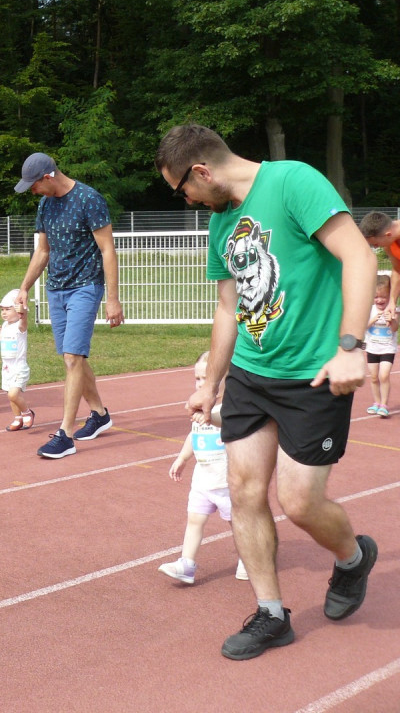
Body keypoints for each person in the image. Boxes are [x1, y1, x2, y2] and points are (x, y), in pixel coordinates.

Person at [155, 123, 378, 661]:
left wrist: (350, 346)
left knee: (299, 502)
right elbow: (229, 308)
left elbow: (360, 257)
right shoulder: (220, 224)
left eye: (181, 189)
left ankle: (351, 558)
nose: (185, 200)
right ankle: (271, 612)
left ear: (202, 171)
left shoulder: (293, 181)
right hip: (253, 374)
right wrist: (211, 383)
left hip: (313, 374)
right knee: (244, 490)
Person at [12, 152, 124, 460]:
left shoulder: (89, 199)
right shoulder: (45, 204)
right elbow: (42, 252)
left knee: (74, 356)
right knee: (70, 358)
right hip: (56, 289)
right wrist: (24, 287)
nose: (31, 191)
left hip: (86, 287)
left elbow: (107, 250)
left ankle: (64, 434)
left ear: (48, 176)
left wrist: (112, 299)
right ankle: (99, 414)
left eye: (33, 185)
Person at [159, 351, 247, 585]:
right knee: (194, 521)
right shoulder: (200, 406)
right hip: (202, 482)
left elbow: (224, 422)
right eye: (197, 379)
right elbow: (193, 434)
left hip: (226, 484)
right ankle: (187, 565)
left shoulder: (229, 407)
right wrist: (182, 458)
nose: (201, 384)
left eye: (206, 379)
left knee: (238, 525)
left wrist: (207, 416)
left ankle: (248, 559)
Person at [0, 288, 34, 431]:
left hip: (19, 367)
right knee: (10, 395)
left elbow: (24, 320)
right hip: (6, 367)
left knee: (14, 394)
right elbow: (2, 338)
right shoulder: (5, 326)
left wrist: (23, 313)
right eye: (2, 309)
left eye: (8, 309)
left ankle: (27, 412)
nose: (4, 312)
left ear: (18, 310)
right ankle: (17, 418)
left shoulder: (20, 326)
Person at [364, 274, 397, 418]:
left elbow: (396, 328)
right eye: (376, 297)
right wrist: (372, 320)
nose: (380, 300)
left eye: (383, 296)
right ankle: (376, 402)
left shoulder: (393, 309)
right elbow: (363, 326)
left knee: (384, 376)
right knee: (374, 377)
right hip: (372, 348)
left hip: (387, 348)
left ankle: (384, 404)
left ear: (389, 296)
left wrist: (392, 320)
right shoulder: (370, 310)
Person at [358, 211, 400, 318]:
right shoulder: (389, 243)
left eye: (376, 244)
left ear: (388, 235)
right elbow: (397, 270)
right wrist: (392, 302)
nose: (376, 248)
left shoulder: (388, 239)